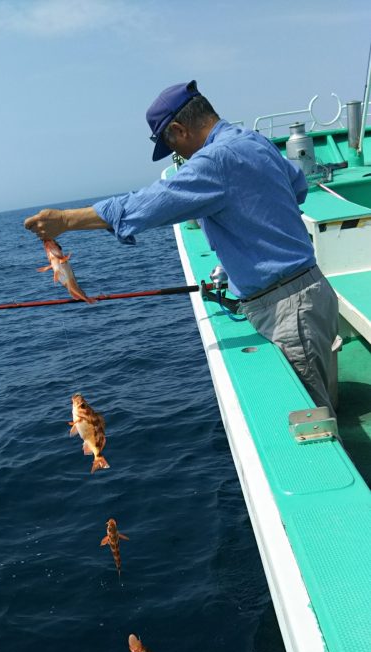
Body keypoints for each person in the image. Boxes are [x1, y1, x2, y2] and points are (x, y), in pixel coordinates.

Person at [24, 80, 339, 416]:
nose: (180, 157)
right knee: (327, 398)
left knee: (316, 421)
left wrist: (65, 220)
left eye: (172, 146)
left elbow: (150, 204)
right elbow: (298, 184)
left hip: (288, 310)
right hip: (311, 292)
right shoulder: (253, 141)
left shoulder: (215, 160)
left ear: (178, 129)